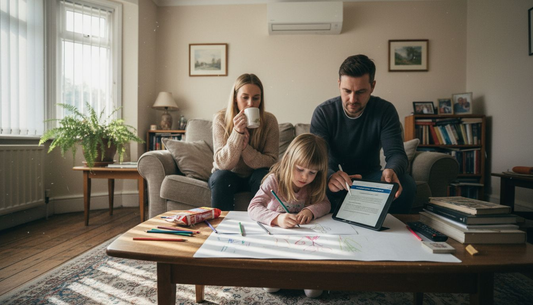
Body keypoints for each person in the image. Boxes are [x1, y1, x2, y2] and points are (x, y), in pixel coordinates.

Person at [310, 54, 415, 214]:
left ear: (372, 86)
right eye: (347, 91)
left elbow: (396, 153)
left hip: (371, 178)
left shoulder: (385, 111)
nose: (352, 99)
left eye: (360, 92)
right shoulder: (324, 112)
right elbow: (318, 158)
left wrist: (391, 170)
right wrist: (330, 176)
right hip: (335, 178)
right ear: (339, 84)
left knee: (406, 184)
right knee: (314, 185)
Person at [248, 133, 330, 298]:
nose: (305, 177)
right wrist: (277, 219)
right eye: (300, 169)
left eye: (312, 172)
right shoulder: (274, 180)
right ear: (287, 161)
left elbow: (326, 204)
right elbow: (253, 206)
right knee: (271, 287)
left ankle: (302, 275)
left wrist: (310, 211)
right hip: (276, 242)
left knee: (314, 292)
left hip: (303, 244)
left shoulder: (313, 185)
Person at [209, 73, 279, 211]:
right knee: (222, 178)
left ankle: (262, 222)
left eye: (256, 98)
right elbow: (222, 164)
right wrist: (237, 133)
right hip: (228, 175)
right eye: (245, 97)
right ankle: (221, 227)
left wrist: (246, 149)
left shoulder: (270, 121)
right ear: (235, 98)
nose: (250, 103)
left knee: (264, 176)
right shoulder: (221, 119)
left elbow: (271, 162)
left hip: (255, 176)